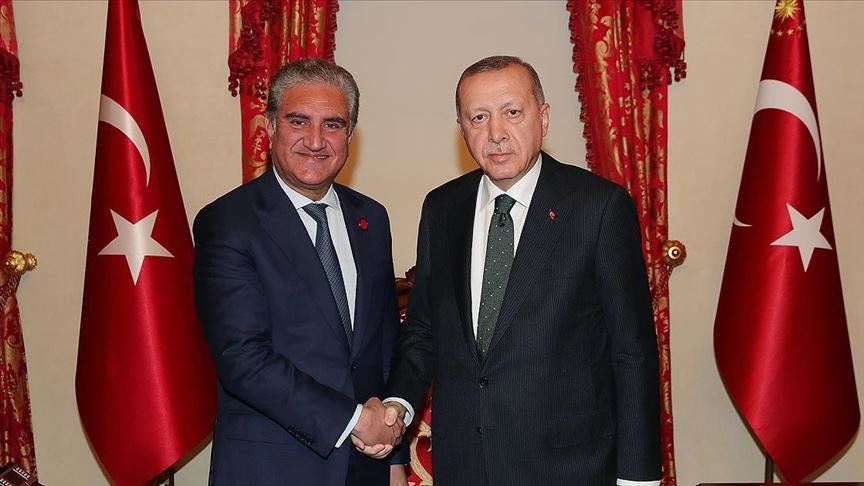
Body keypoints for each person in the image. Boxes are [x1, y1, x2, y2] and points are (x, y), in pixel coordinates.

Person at [376, 56, 662, 485]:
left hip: (569, 468)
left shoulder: (599, 207)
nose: (496, 133)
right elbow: (423, 329)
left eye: (512, 112)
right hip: (464, 467)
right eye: (478, 117)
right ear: (461, 128)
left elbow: (631, 351)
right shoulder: (442, 208)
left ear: (543, 118)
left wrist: (638, 478)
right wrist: (398, 403)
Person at [193, 58, 407, 486]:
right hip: (272, 468)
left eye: (332, 124)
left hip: (368, 466)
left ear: (350, 134)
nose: (315, 140)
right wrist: (353, 420)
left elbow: (385, 344)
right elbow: (242, 358)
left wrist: (394, 457)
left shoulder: (371, 218)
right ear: (272, 126)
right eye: (298, 121)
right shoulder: (229, 222)